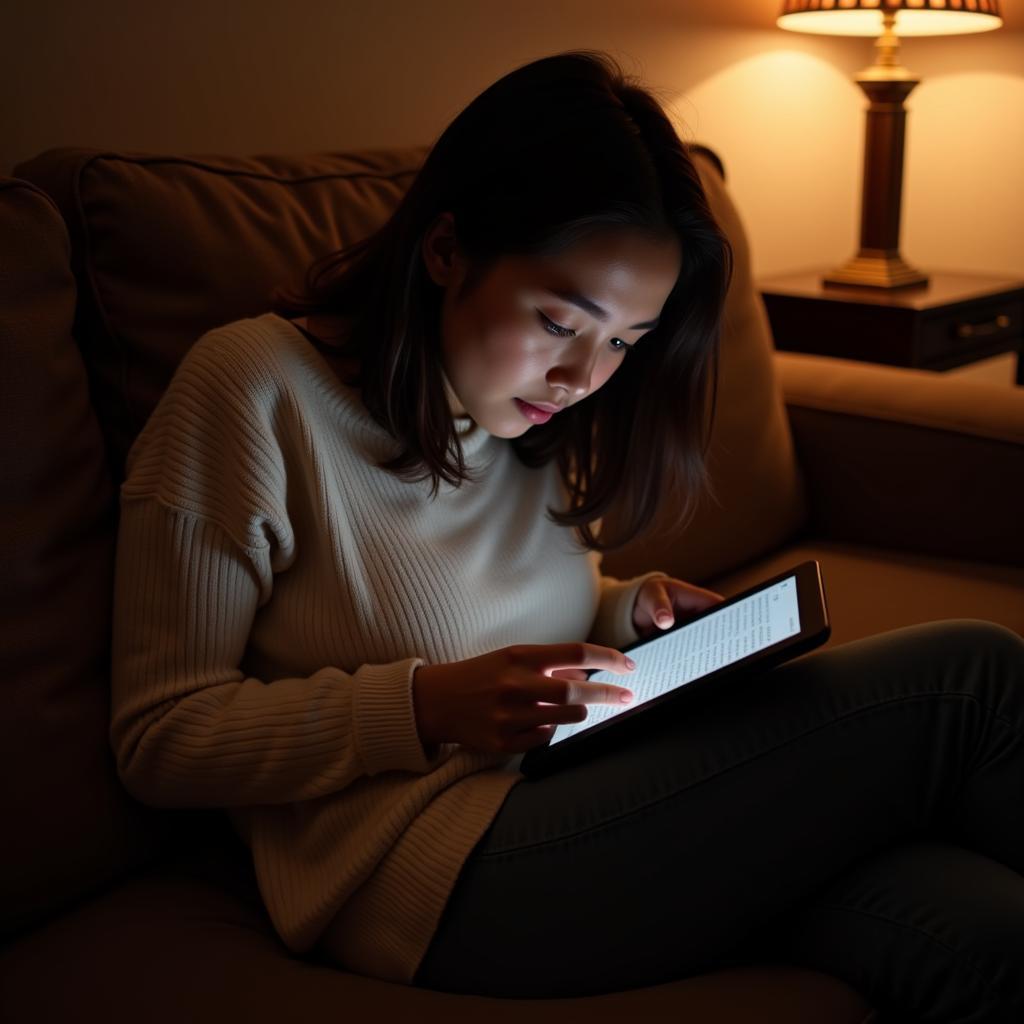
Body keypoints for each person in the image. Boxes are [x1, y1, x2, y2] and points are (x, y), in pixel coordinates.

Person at [109, 49, 1024, 1021]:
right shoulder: (252, 388)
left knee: (980, 932)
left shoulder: (527, 415)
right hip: (432, 870)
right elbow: (159, 736)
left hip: (585, 781)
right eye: (558, 321)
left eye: (625, 342)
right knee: (969, 675)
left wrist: (629, 610)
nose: (584, 375)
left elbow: (538, 603)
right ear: (446, 249)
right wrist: (420, 707)